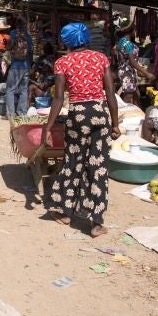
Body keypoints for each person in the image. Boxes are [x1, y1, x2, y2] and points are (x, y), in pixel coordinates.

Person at [41, 23, 121, 238]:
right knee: (98, 166)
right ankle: (96, 223)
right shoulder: (101, 58)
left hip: (77, 115)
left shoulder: (62, 62)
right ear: (86, 38)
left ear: (66, 41)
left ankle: (65, 212)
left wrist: (48, 127)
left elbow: (59, 98)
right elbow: (110, 94)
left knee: (73, 162)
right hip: (99, 114)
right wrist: (115, 124)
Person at [113, 17, 153, 105]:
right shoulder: (128, 44)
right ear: (131, 31)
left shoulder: (120, 42)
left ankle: (137, 110)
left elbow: (117, 59)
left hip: (125, 71)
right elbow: (132, 62)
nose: (135, 32)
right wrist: (146, 73)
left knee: (136, 94)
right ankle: (125, 111)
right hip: (128, 73)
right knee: (128, 97)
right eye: (134, 30)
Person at [5, 18, 33, 119]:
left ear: (16, 24)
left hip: (15, 66)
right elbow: (31, 51)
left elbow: (8, 47)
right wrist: (30, 65)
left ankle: (11, 114)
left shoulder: (13, 34)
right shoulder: (28, 35)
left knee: (10, 90)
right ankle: (22, 112)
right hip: (26, 65)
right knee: (24, 90)